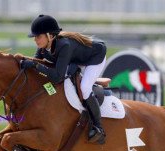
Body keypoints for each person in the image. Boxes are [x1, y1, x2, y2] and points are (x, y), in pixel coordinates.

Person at [20, 14, 107, 144]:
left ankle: (98, 128)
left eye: (38, 36)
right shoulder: (43, 47)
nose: (35, 40)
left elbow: (56, 77)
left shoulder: (64, 45)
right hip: (75, 58)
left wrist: (35, 65)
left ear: (49, 36)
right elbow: (37, 62)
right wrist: (28, 64)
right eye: (35, 37)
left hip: (94, 58)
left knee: (84, 88)